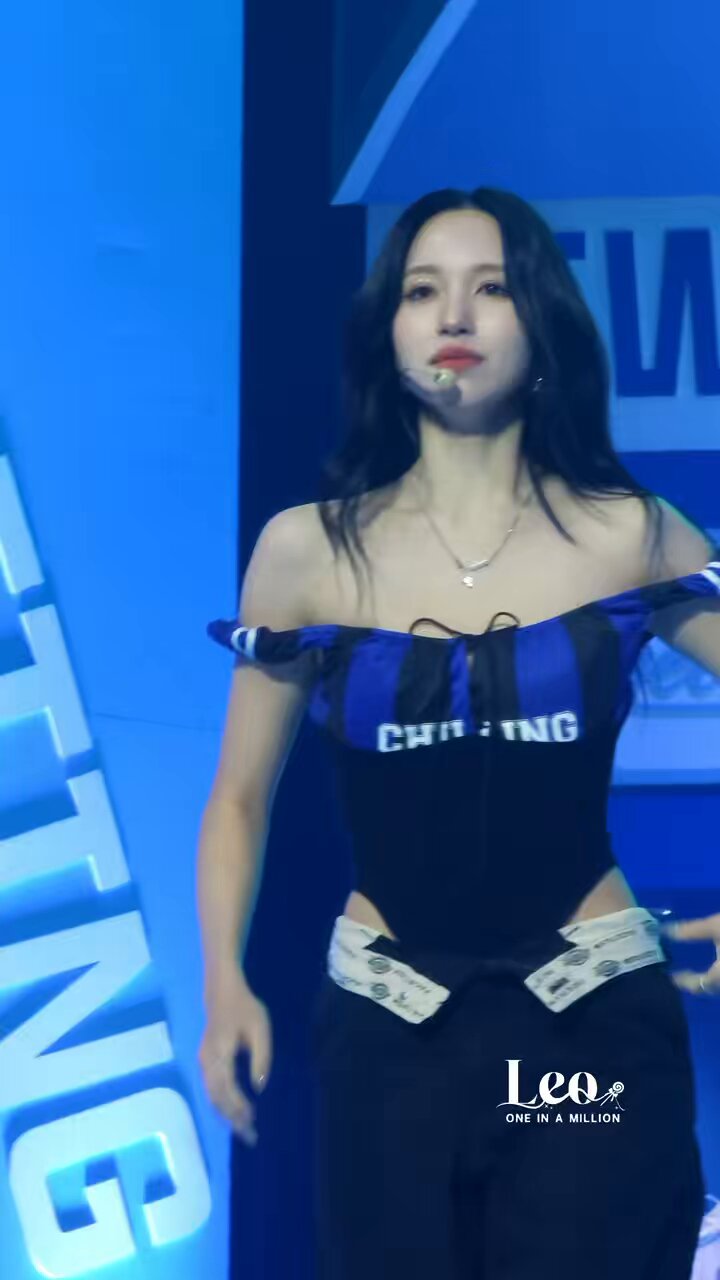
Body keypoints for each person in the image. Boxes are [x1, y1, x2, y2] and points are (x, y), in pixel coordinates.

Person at [198, 186, 720, 1279]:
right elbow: (238, 798)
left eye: (490, 288)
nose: (454, 315)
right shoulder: (305, 551)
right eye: (422, 291)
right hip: (388, 1026)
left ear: (541, 323)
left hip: (588, 1025)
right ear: (386, 333)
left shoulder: (629, 533)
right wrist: (223, 981)